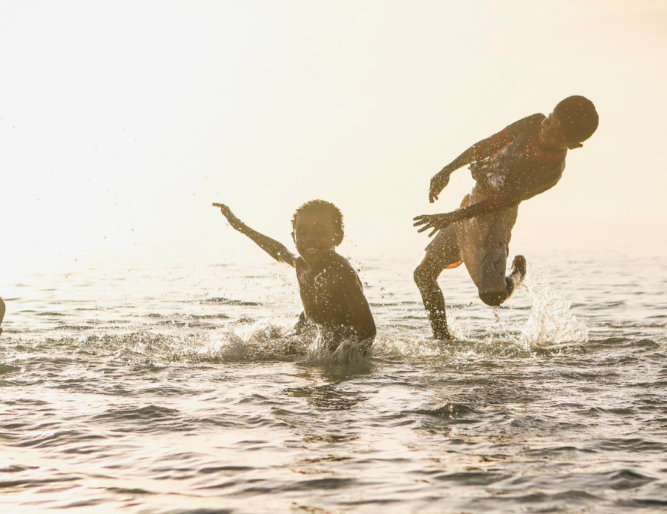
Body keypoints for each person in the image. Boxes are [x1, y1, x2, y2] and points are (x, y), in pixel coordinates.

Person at [412, 95, 599, 339]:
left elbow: (500, 202)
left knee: (492, 297)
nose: (545, 129)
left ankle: (518, 273)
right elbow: (489, 144)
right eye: (550, 120)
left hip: (496, 217)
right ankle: (442, 338)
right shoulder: (534, 122)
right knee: (423, 274)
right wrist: (447, 170)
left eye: (556, 133)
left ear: (573, 145)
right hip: (475, 200)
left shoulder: (550, 172)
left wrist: (452, 216)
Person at [214, 200, 376, 350]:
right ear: (294, 237)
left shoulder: (341, 271)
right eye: (303, 233)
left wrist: (346, 357)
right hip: (310, 336)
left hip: (337, 343)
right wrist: (241, 227)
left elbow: (368, 329)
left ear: (338, 237)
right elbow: (278, 251)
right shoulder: (301, 265)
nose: (310, 239)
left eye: (320, 232)